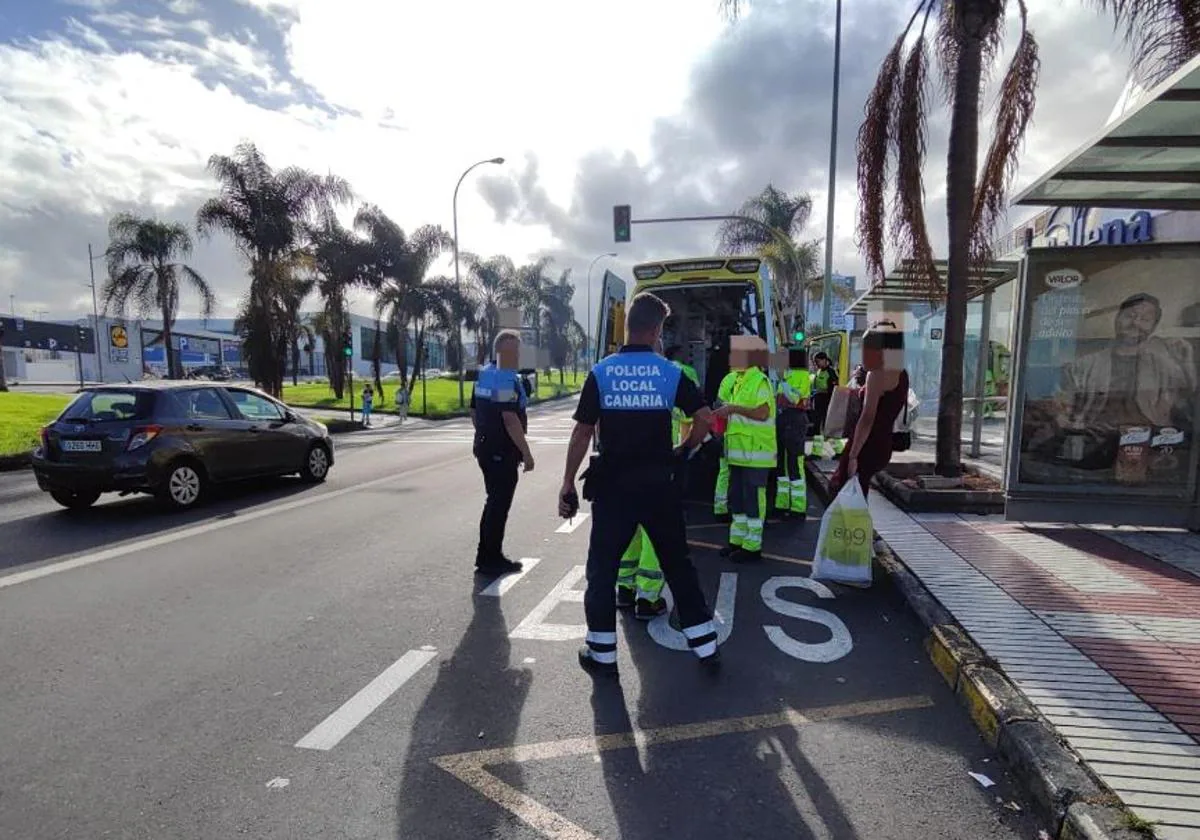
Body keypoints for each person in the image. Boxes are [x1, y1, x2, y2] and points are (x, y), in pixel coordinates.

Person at [559, 292, 719, 676]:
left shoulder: (602, 372)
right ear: (655, 331)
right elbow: (704, 418)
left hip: (613, 489)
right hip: (659, 487)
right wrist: (684, 450)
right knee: (678, 567)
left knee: (602, 571)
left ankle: (602, 655)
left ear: (628, 326)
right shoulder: (670, 373)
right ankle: (706, 648)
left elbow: (583, 432)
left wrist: (567, 483)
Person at [470, 330, 534, 577]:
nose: (517, 355)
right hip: (501, 452)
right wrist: (526, 454)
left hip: (485, 448)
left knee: (493, 501)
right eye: (514, 350)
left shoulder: (485, 374)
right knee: (498, 504)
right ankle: (490, 558)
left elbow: (474, 412)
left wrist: (485, 434)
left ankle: (486, 554)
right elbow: (510, 419)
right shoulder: (505, 379)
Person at [831, 321, 909, 497]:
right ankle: (859, 525)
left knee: (842, 491)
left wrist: (852, 456)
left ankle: (855, 526)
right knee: (857, 494)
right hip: (883, 443)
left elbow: (867, 418)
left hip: (867, 444)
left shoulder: (877, 374)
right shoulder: (901, 372)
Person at [715, 336, 775, 562]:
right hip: (740, 452)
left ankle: (752, 547)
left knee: (752, 500)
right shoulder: (739, 380)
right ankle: (737, 541)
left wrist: (733, 408)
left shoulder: (759, 380)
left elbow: (762, 413)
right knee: (737, 500)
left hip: (755, 453)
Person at [774, 346, 811, 519]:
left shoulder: (801, 375)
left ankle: (798, 507)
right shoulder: (786, 374)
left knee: (794, 464)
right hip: (783, 420)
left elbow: (794, 398)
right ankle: (782, 504)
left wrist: (782, 381)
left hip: (795, 420)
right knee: (782, 464)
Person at [712, 364, 745, 517]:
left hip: (727, 433)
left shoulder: (728, 379)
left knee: (725, 471)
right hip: (742, 436)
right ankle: (739, 507)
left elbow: (718, 406)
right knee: (742, 473)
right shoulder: (751, 380)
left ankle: (720, 508)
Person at [811, 351, 840, 433]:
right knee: (816, 420)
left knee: (825, 420)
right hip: (817, 399)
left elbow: (834, 388)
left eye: (817, 361)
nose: (816, 364)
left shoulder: (831, 372)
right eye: (815, 362)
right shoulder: (818, 371)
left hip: (826, 400)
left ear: (824, 360)